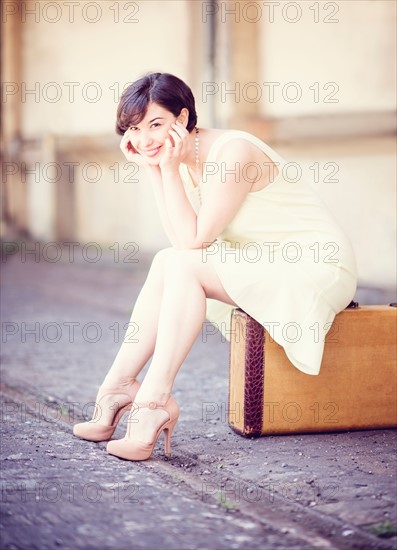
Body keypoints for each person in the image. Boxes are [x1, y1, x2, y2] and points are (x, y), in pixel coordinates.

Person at [73, 72, 358, 461]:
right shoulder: (179, 158)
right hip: (265, 262)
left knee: (183, 265)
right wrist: (154, 169)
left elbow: (195, 242)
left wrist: (165, 170)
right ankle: (119, 385)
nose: (144, 140)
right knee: (167, 261)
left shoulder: (231, 153)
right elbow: (181, 244)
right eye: (135, 129)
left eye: (156, 124)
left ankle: (153, 402)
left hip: (314, 265)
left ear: (183, 117)